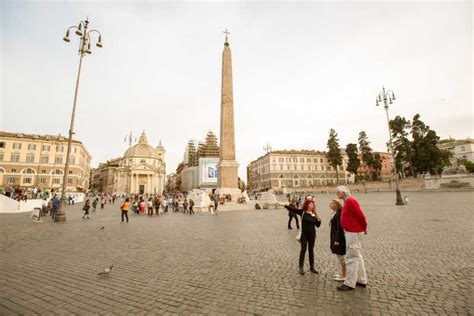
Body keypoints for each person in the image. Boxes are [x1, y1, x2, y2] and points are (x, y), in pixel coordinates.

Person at [335, 186, 368, 291]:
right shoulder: (348, 201)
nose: (337, 194)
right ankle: (361, 279)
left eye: (338, 192)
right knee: (357, 256)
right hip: (351, 231)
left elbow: (361, 215)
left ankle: (349, 283)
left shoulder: (351, 201)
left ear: (343, 192)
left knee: (351, 257)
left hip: (353, 232)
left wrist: (364, 227)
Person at [282, 199, 321, 275]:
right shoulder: (302, 212)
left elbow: (318, 225)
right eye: (310, 204)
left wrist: (319, 218)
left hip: (312, 235)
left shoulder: (314, 213)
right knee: (303, 250)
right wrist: (284, 205)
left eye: (312, 204)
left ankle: (312, 267)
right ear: (307, 205)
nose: (311, 205)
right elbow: (293, 209)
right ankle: (301, 267)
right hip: (304, 234)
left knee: (311, 250)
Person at [329, 199, 346, 282]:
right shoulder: (335, 213)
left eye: (332, 203)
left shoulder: (339, 214)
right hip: (335, 236)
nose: (330, 204)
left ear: (336, 205)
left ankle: (344, 274)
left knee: (341, 256)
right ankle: (342, 272)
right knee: (339, 256)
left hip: (338, 238)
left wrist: (337, 240)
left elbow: (340, 228)